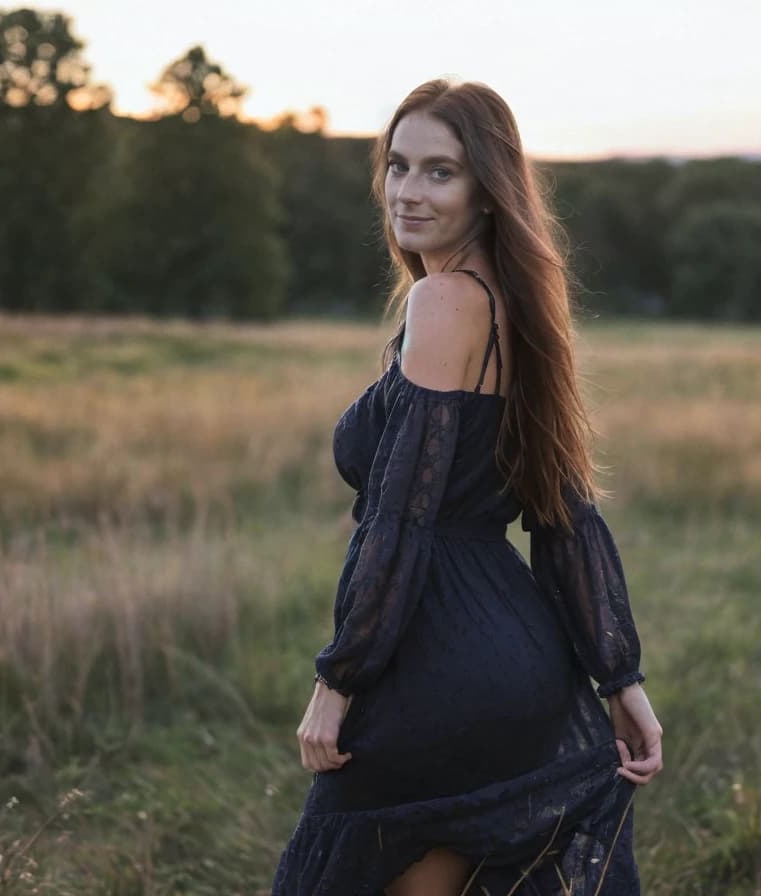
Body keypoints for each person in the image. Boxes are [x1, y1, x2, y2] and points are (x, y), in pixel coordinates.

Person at [270, 78, 663, 896]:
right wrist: (617, 677)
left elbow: (398, 517)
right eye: (398, 166)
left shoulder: (444, 301)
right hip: (522, 664)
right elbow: (563, 513)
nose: (409, 192)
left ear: (489, 189)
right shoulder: (516, 304)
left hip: (444, 660)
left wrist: (337, 681)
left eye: (440, 172)